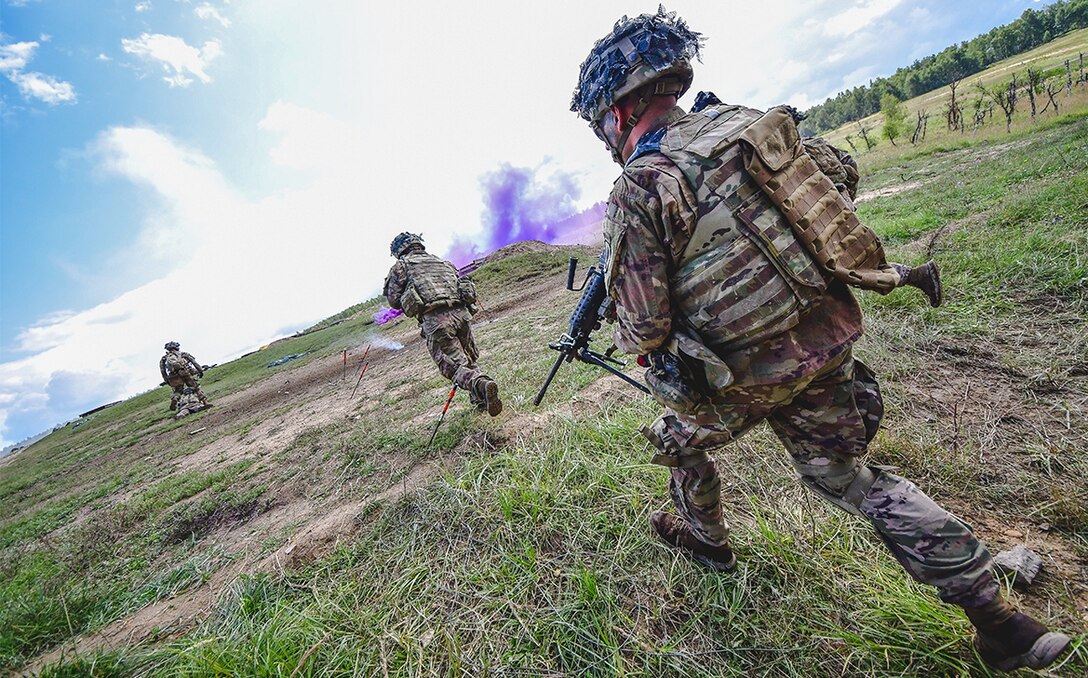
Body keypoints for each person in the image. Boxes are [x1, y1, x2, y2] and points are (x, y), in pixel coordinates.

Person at [570, 8, 1068, 672]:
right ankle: (1002, 622)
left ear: (622, 107)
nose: (605, 134)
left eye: (603, 120)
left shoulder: (642, 183)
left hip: (741, 381)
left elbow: (644, 327)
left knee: (673, 436)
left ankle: (705, 537)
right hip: (825, 336)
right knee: (850, 480)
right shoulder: (745, 123)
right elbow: (837, 175)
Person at [383, 232, 502, 416]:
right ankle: (481, 400)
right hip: (462, 316)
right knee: (467, 359)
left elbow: (393, 300)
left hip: (437, 320)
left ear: (399, 250)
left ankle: (481, 384)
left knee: (453, 366)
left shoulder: (401, 266)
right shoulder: (442, 262)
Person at [160, 341, 209, 412]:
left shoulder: (164, 358)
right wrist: (200, 371)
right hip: (185, 372)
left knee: (178, 391)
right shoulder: (183, 354)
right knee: (196, 387)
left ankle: (175, 399)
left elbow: (163, 371)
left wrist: (167, 380)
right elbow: (194, 363)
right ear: (176, 347)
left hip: (173, 375)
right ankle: (205, 402)